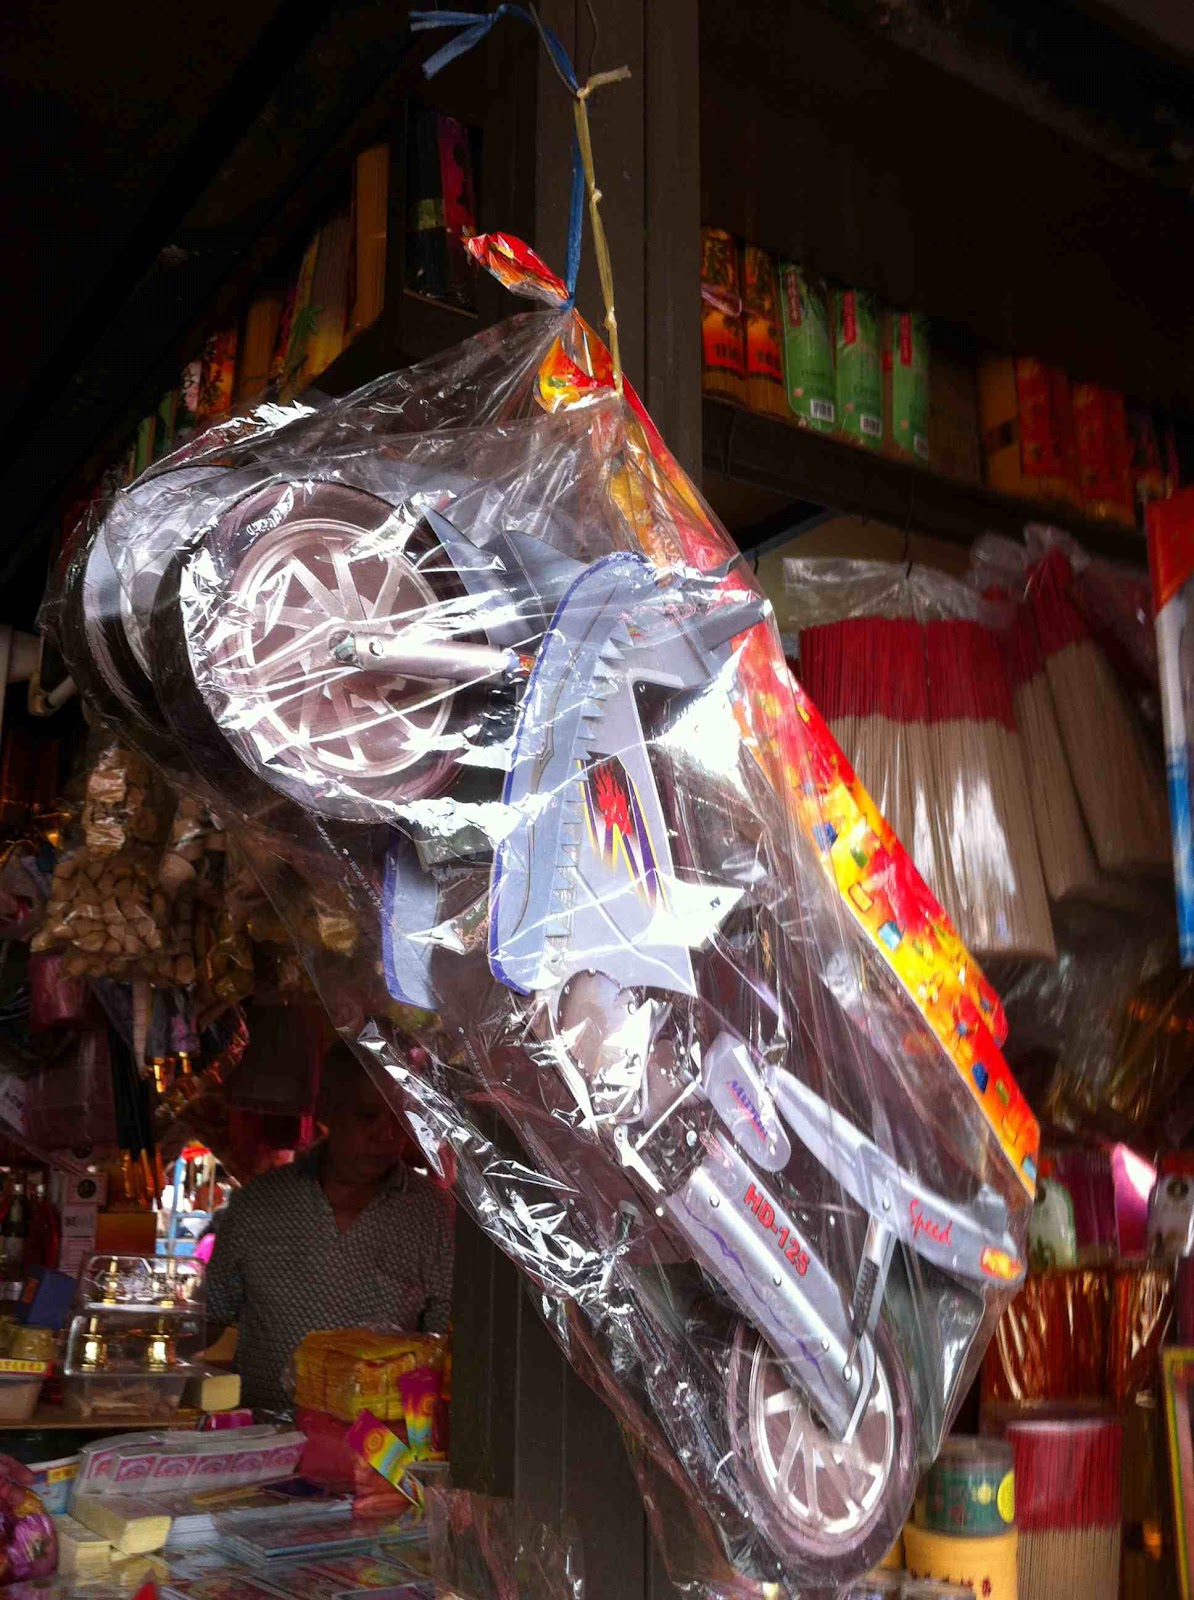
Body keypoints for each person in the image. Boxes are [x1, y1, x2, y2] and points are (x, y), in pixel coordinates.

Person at [205, 1042, 454, 1415]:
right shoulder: (257, 1205)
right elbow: (208, 1316)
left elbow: (444, 1348)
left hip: (381, 1442)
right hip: (264, 1436)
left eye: (400, 1118)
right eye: (367, 1116)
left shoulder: (432, 1216)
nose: (386, 1135)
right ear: (327, 1110)